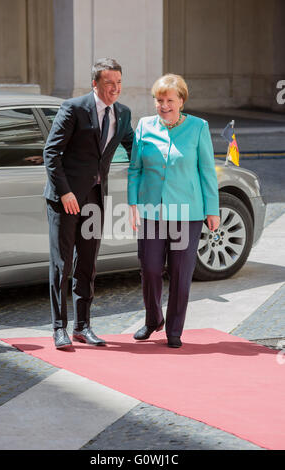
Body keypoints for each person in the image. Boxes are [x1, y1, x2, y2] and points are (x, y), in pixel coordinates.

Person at [44, 58, 134, 349]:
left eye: (119, 83)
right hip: (65, 199)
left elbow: (138, 148)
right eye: (109, 83)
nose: (115, 88)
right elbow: (51, 152)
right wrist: (65, 192)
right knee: (62, 264)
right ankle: (59, 328)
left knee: (88, 265)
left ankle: (83, 326)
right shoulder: (74, 108)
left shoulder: (122, 113)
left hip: (95, 198)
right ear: (95, 83)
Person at [128, 74, 220, 348]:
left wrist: (212, 209)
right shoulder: (144, 126)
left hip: (188, 212)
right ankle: (153, 318)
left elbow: (207, 171)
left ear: (181, 101)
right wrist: (133, 203)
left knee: (181, 272)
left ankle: (175, 330)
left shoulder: (198, 127)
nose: (164, 105)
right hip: (151, 212)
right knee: (150, 268)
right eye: (159, 100)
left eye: (169, 100)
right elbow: (135, 169)